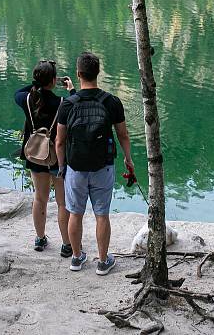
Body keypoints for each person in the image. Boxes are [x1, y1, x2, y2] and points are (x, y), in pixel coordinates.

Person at [55, 52, 133, 275]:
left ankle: (77, 258)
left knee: (75, 214)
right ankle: (102, 261)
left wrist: (62, 167)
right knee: (102, 215)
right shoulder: (111, 102)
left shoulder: (68, 104)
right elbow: (123, 135)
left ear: (78, 74)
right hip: (103, 166)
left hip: (75, 168)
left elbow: (59, 141)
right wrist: (128, 159)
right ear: (98, 73)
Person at [14, 60, 75, 256]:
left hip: (36, 155)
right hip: (58, 158)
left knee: (39, 198)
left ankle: (40, 239)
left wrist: (36, 85)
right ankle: (66, 244)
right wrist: (71, 89)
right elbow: (77, 104)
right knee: (62, 202)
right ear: (54, 81)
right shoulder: (63, 103)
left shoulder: (26, 99)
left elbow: (17, 92)